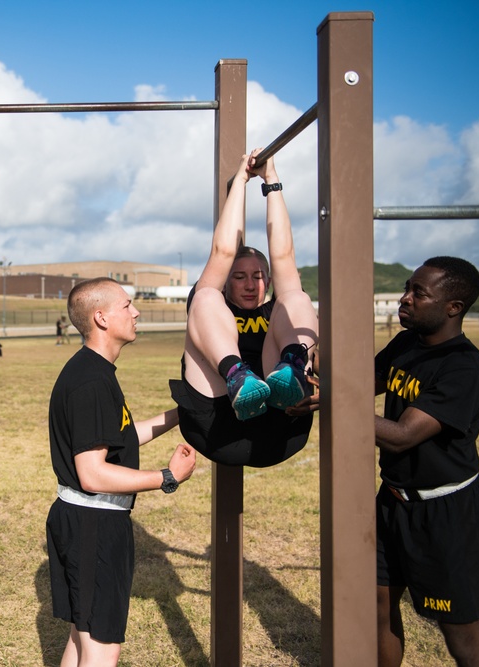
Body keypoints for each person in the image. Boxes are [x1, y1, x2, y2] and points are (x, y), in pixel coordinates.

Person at [46, 277, 197, 667]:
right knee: (101, 648)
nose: (136, 312)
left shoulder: (94, 372)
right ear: (101, 318)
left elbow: (123, 439)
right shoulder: (91, 382)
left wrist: (182, 414)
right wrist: (167, 476)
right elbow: (93, 475)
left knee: (83, 640)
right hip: (93, 524)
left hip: (84, 520)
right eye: (127, 305)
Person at [374, 256, 479, 667]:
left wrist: (336, 401)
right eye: (407, 287)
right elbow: (358, 379)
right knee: (376, 608)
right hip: (391, 502)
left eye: (418, 293)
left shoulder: (467, 369)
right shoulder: (408, 343)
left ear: (453, 307)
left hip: (446, 514)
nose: (404, 299)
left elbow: (401, 437)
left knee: (461, 637)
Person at [169, 148, 319, 468]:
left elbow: (283, 256)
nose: (251, 285)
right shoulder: (217, 301)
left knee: (296, 298)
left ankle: (292, 366)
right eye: (239, 276)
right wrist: (241, 180)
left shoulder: (274, 311)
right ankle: (237, 375)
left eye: (258, 276)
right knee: (204, 297)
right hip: (218, 425)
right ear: (228, 280)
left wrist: (272, 181)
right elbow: (224, 250)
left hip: (280, 427)